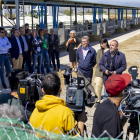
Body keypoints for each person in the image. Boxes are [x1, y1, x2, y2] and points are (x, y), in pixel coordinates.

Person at [92, 73, 131, 138]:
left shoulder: (102, 106)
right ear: (122, 92)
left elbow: (113, 128)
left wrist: (124, 118)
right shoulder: (112, 114)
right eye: (126, 88)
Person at [94, 38, 109, 107]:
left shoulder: (111, 51)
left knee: (108, 87)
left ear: (106, 43)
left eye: (102, 43)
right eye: (100, 43)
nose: (101, 45)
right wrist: (103, 69)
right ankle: (97, 101)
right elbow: (98, 62)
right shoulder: (99, 51)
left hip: (108, 73)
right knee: (97, 86)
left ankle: (108, 101)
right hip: (99, 71)